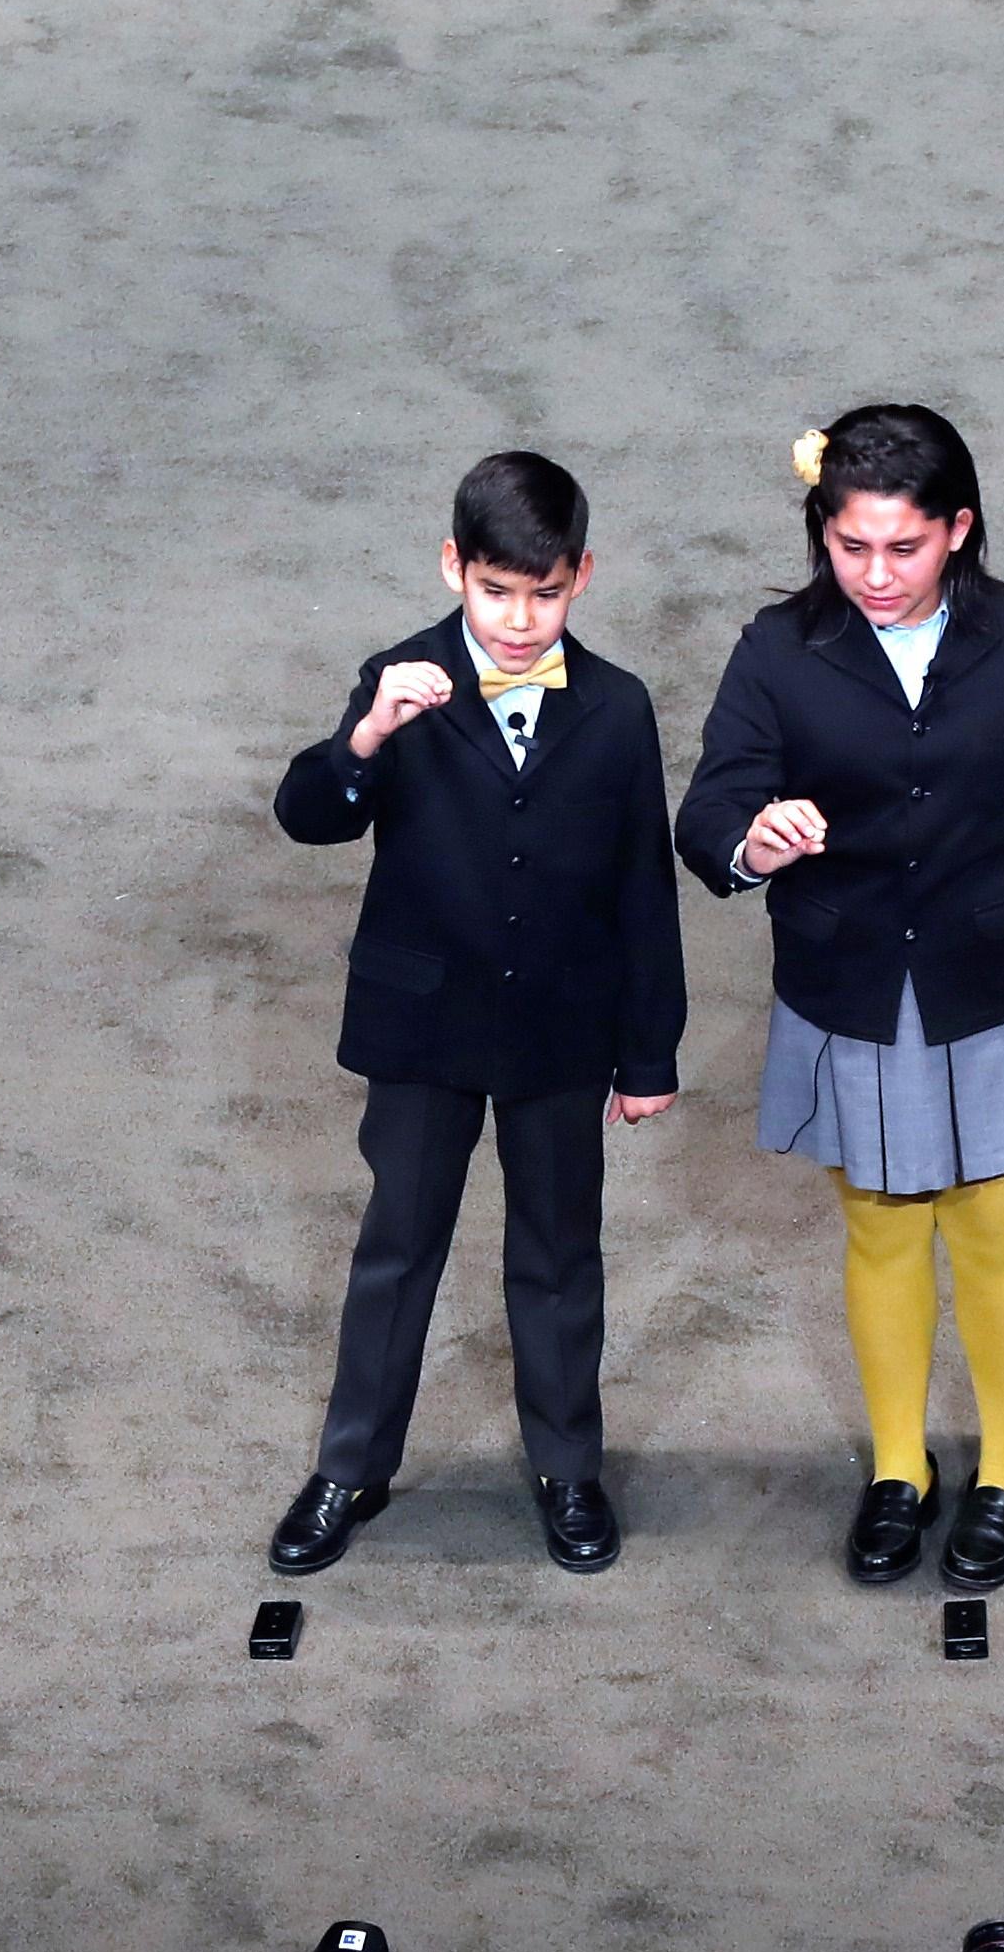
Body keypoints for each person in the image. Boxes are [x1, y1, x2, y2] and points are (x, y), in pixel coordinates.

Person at [674, 400, 1004, 1589]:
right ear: (822, 531)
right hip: (851, 982)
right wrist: (758, 845)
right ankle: (897, 1470)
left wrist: (990, 882)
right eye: (850, 545)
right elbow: (711, 808)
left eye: (904, 547)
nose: (874, 573)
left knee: (990, 1228)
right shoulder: (776, 649)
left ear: (959, 530)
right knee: (878, 1230)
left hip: (990, 980)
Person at [266, 447, 693, 1578]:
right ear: (453, 566)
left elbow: (643, 889)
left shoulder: (615, 707)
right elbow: (309, 816)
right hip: (424, 1031)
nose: (517, 619)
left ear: (583, 578)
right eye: (495, 591)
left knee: (559, 1257)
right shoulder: (396, 676)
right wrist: (366, 739)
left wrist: (648, 1053)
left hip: (561, 1031)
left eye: (544, 594)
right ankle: (349, 1468)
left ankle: (567, 1469)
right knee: (396, 1248)